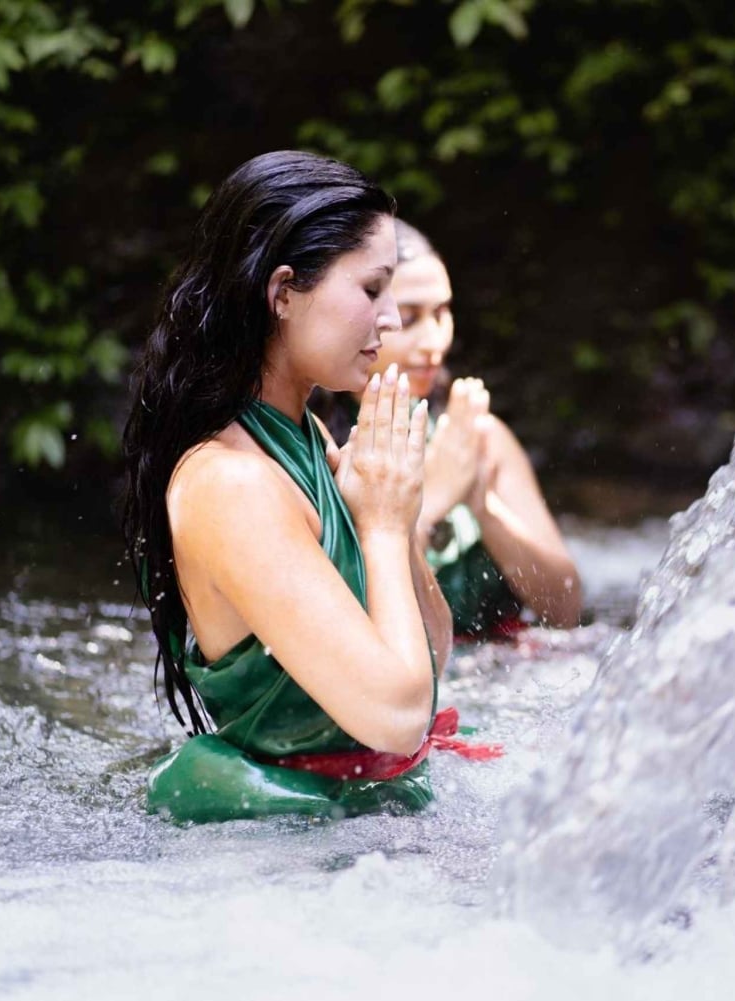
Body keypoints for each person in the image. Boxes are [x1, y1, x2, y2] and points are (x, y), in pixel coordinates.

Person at [120, 150, 494, 826]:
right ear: (284, 292)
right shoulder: (229, 483)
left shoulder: (308, 437)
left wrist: (398, 519)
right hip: (278, 845)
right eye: (373, 290)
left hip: (354, 822)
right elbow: (398, 718)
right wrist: (382, 527)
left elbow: (431, 659)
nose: (390, 320)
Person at [316, 220, 582, 637]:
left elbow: (565, 610)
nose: (434, 341)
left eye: (442, 313)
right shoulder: (317, 443)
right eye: (409, 317)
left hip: (504, 664)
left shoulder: (475, 433)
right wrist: (433, 502)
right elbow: (344, 625)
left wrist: (483, 505)